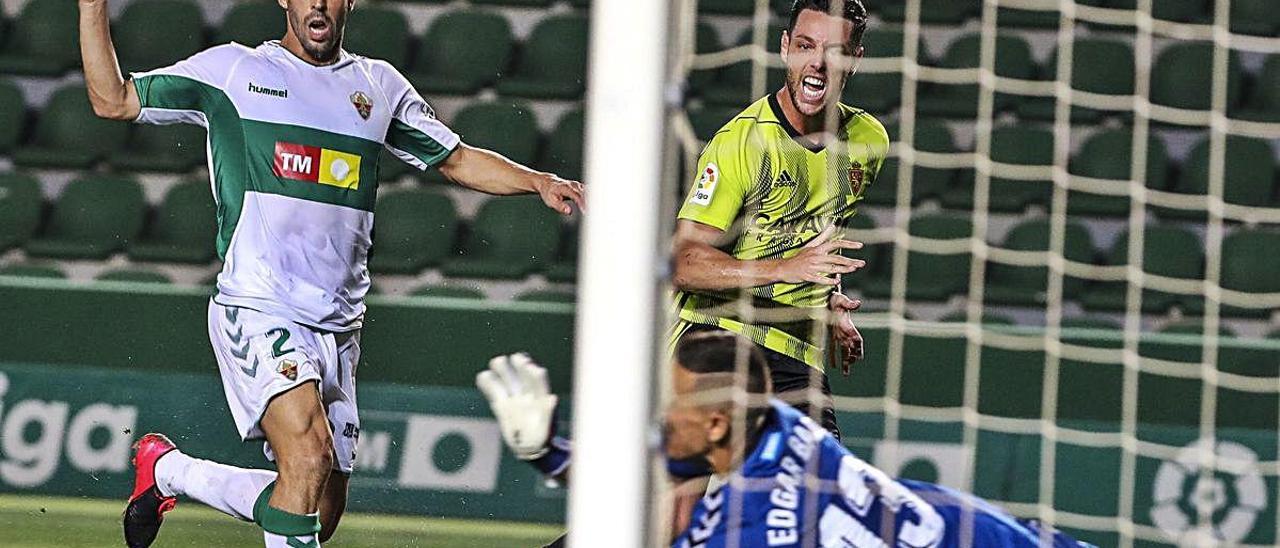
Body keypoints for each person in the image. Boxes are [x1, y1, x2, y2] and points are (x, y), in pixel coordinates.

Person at [78, 0, 585, 546]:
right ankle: (171, 472)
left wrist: (537, 180)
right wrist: (92, 8)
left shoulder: (378, 86)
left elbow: (456, 159)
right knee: (308, 455)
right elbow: (114, 100)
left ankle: (168, 471)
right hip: (260, 303)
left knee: (319, 504)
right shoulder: (233, 71)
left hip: (339, 325)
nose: (316, 2)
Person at [477, 331, 1096, 547]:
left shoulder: (757, 525)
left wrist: (548, 457)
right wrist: (549, 452)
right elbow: (643, 481)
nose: (663, 422)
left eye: (675, 410)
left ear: (717, 425)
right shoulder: (785, 427)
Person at [671, 0, 888, 440]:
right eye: (806, 46)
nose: (818, 65)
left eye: (835, 52)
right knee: (681, 507)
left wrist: (829, 302)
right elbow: (683, 263)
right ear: (785, 47)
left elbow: (815, 236)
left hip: (797, 355)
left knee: (820, 498)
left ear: (855, 59)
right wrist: (786, 270)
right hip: (718, 336)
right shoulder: (743, 142)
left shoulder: (868, 141)